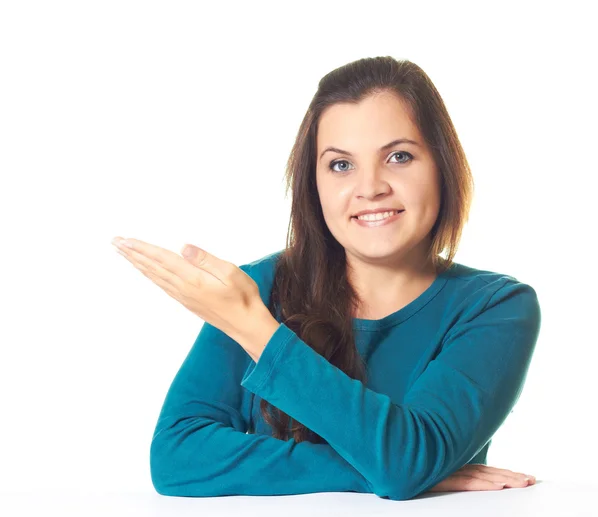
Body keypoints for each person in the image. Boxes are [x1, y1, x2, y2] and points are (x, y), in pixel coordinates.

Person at [149, 56, 541, 500]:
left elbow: (404, 465)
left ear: (441, 166)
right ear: (312, 184)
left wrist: (256, 332)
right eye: (340, 165)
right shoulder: (253, 290)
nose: (370, 187)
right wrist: (383, 467)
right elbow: (176, 458)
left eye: (399, 156)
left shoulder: (496, 308)